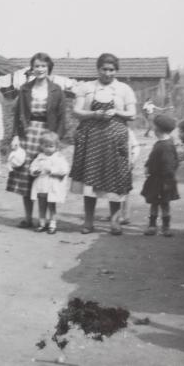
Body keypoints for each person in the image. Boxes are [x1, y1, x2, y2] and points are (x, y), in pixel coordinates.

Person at [70, 53, 137, 234]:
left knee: (114, 178)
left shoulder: (124, 89)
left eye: (111, 70)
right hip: (91, 138)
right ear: (98, 69)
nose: (108, 73)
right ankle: (89, 222)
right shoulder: (87, 87)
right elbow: (76, 111)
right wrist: (94, 114)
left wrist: (115, 111)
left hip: (115, 139)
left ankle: (114, 222)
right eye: (104, 69)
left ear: (116, 70)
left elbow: (132, 114)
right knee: (89, 180)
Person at [6, 53, 66, 229]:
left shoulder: (56, 90)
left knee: (45, 175)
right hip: (28, 133)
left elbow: (62, 117)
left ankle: (47, 219)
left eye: (43, 66)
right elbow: (18, 115)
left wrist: (57, 139)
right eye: (37, 66)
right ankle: (28, 217)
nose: (40, 69)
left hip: (48, 135)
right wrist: (16, 135)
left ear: (49, 68)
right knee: (26, 176)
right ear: (32, 68)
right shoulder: (25, 89)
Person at [140, 115, 180, 237]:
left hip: (164, 180)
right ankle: (152, 226)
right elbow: (152, 157)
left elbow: (171, 164)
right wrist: (147, 166)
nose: (153, 130)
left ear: (158, 130)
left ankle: (165, 227)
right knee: (154, 202)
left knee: (164, 203)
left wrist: (168, 180)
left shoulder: (166, 146)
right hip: (155, 179)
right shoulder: (161, 143)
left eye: (154, 127)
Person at [28, 132, 69, 234]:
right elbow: (32, 167)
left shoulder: (59, 157)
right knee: (41, 205)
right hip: (42, 185)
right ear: (41, 146)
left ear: (56, 146)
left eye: (51, 146)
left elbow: (64, 170)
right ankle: (42, 223)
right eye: (45, 146)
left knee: (51, 205)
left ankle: (52, 224)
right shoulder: (40, 157)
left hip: (52, 185)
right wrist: (34, 171)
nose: (48, 149)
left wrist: (52, 171)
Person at [119, 128, 141, 227]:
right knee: (112, 191)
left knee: (125, 191)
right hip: (112, 165)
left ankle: (125, 216)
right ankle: (116, 214)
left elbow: (136, 147)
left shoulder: (127, 131)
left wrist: (133, 160)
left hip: (125, 165)